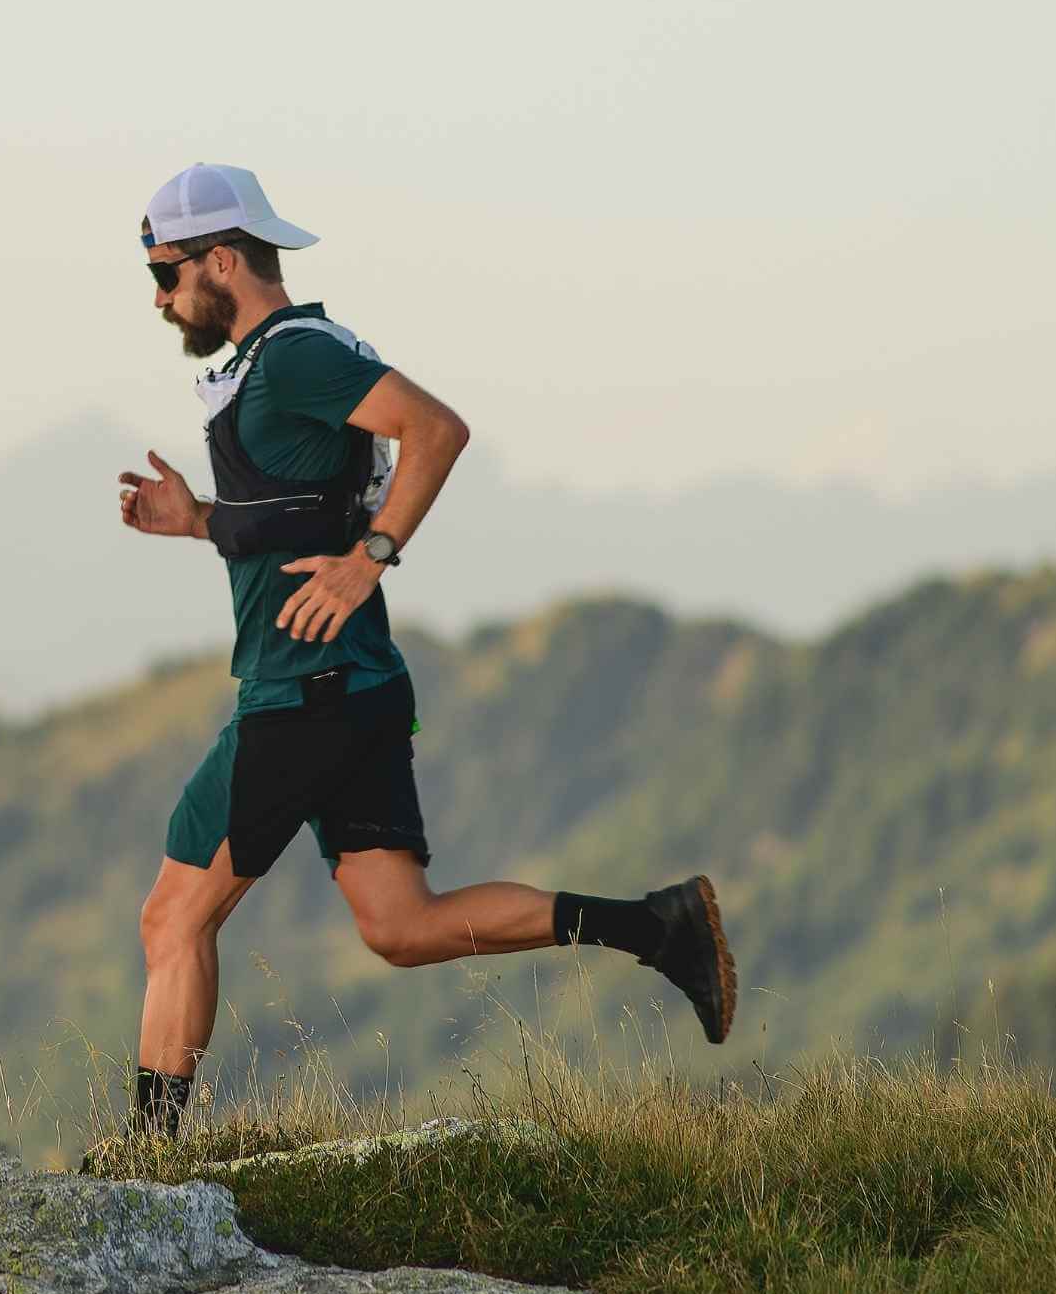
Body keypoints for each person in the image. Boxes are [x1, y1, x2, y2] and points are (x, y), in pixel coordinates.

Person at [113, 163, 736, 1139]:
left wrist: (371, 559)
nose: (158, 298)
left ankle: (146, 1168)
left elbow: (435, 430)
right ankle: (656, 927)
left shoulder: (293, 357)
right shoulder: (286, 359)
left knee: (173, 918)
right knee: (401, 927)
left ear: (221, 259)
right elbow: (310, 505)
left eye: (164, 273)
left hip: (299, 693)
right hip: (354, 688)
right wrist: (201, 521)